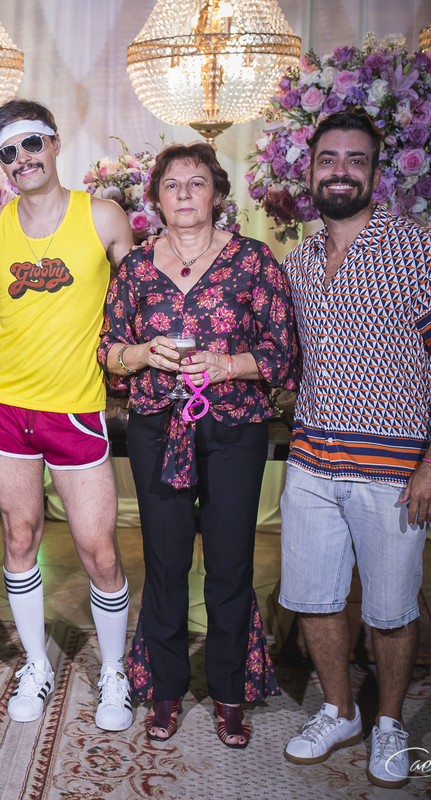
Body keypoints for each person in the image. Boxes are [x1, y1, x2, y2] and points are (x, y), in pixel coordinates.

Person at [277, 110, 431, 788]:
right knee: (314, 599)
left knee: (391, 609)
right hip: (311, 463)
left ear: (375, 172)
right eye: (328, 159)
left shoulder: (423, 251)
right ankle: (339, 711)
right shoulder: (299, 262)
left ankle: (389, 722)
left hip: (394, 471)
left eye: (355, 160)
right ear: (309, 171)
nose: (340, 171)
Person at [99, 143, 296, 748]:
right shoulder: (135, 266)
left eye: (197, 182)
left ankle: (231, 692)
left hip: (234, 428)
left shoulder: (253, 260)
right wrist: (141, 354)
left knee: (231, 564)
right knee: (164, 562)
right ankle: (164, 689)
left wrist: (228, 364)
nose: (184, 194)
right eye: (172, 184)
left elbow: (283, 353)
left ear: (217, 194)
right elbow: (108, 350)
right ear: (156, 199)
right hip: (158, 429)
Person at [0, 99, 136, 729]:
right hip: (8, 403)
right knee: (19, 537)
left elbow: (137, 295)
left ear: (55, 142)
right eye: (8, 152)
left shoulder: (103, 215)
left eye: (31, 143)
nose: (22, 159)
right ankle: (36, 665)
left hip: (76, 408)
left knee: (99, 551)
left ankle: (113, 672)